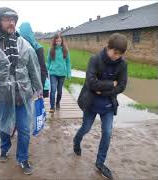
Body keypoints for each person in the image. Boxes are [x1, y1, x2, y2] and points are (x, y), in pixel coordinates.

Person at [0, 7, 43, 175]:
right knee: (5, 126)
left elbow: (33, 68)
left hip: (23, 95)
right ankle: (4, 149)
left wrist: (38, 88)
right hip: (4, 96)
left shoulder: (22, 43)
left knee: (25, 129)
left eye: (13, 19)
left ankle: (23, 158)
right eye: (7, 19)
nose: (11, 22)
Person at [73, 33, 128, 179]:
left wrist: (103, 90)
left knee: (107, 132)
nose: (117, 56)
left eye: (120, 54)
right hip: (91, 103)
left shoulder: (122, 65)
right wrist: (111, 83)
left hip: (108, 105)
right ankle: (76, 140)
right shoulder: (95, 60)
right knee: (86, 128)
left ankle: (100, 162)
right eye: (115, 53)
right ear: (108, 47)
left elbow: (122, 86)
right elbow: (91, 83)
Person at [19, 22, 48, 96]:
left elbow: (42, 69)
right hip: (25, 84)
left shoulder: (37, 48)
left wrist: (40, 87)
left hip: (32, 84)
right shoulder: (19, 46)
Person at [46, 33, 71, 113]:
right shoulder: (51, 50)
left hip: (62, 74)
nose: (58, 42)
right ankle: (52, 107)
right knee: (53, 90)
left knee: (59, 91)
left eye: (59, 41)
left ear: (62, 41)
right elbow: (48, 61)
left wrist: (68, 73)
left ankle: (57, 103)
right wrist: (47, 70)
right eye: (56, 41)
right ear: (54, 41)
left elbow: (68, 62)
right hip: (53, 73)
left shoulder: (65, 50)